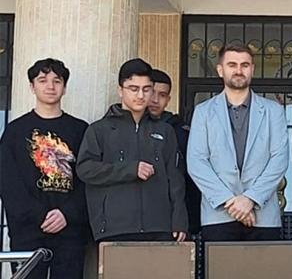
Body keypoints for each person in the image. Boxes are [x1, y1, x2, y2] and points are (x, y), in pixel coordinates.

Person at [77, 58, 188, 241]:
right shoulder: (99, 129)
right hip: (114, 228)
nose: (141, 95)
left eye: (146, 89)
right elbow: (85, 169)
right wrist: (130, 169)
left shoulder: (165, 130)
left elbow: (175, 179)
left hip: (159, 227)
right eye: (133, 89)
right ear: (120, 90)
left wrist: (179, 219)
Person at [188, 43, 289, 241]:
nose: (239, 70)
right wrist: (231, 203)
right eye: (232, 64)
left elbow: (279, 160)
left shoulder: (273, 111)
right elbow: (196, 162)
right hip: (219, 215)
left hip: (263, 217)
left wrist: (251, 199)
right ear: (220, 70)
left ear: (252, 69)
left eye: (245, 65)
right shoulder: (203, 111)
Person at [0, 58, 89, 279]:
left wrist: (68, 214)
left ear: (64, 87)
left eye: (57, 81)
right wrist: (39, 215)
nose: (50, 86)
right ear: (32, 86)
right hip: (27, 231)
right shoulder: (15, 131)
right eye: (42, 80)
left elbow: (89, 179)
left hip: (70, 231)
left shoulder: (81, 130)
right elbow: (8, 182)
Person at [148, 68, 201, 235]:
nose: (155, 100)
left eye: (162, 95)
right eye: (152, 92)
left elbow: (190, 178)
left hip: (174, 218)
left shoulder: (181, 132)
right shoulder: (122, 128)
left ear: (168, 99)